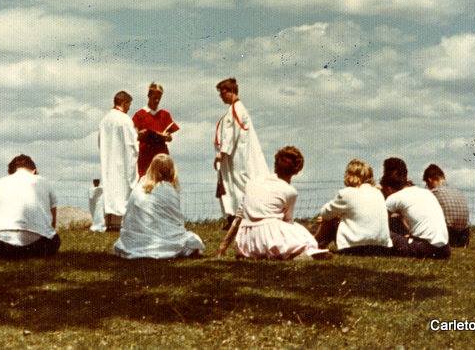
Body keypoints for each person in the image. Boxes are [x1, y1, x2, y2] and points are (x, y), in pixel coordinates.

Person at [217, 146, 330, 260]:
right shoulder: (290, 191)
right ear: (297, 170)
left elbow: (238, 217)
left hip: (246, 241)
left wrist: (223, 247)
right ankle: (298, 253)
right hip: (270, 236)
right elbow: (287, 221)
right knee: (299, 231)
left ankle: (260, 253)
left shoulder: (252, 183)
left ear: (276, 164)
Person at [113, 154, 205, 259]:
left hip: (133, 239)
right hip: (162, 237)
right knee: (192, 240)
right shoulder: (168, 189)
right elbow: (176, 219)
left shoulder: (140, 186)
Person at [213, 78, 269, 229]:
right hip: (235, 155)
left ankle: (241, 217)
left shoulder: (236, 109)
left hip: (237, 156)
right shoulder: (236, 109)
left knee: (238, 184)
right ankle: (234, 217)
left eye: (222, 93)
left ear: (230, 92)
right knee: (231, 185)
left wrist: (222, 153)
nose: (221, 97)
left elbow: (231, 133)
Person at [0, 154, 60, 258]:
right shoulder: (44, 182)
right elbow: (52, 223)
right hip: (38, 247)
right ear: (34, 170)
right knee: (54, 237)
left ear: (11, 172)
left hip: (0, 246)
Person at [313, 158, 392, 255]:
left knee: (330, 219)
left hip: (355, 248)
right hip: (380, 248)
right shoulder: (378, 193)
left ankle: (312, 245)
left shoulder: (347, 193)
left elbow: (325, 213)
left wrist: (336, 215)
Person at [380, 157, 450, 259]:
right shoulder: (426, 192)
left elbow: (379, 222)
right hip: (444, 250)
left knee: (387, 234)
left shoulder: (394, 198)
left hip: (424, 248)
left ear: (388, 188)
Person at [98, 90, 139, 231]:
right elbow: (132, 143)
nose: (129, 108)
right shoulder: (125, 120)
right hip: (123, 161)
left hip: (108, 160)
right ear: (124, 102)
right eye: (129, 105)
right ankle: (122, 223)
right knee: (123, 190)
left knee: (110, 189)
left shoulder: (105, 120)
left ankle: (110, 222)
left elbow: (100, 142)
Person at [132, 82, 180, 178]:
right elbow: (133, 136)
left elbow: (170, 138)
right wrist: (139, 134)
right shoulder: (139, 114)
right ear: (149, 95)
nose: (157, 100)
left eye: (159, 98)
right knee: (145, 182)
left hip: (161, 154)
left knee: (164, 180)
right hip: (145, 154)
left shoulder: (165, 114)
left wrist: (167, 137)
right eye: (155, 98)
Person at [423, 164, 470, 247]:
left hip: (448, 236)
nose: (427, 187)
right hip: (464, 237)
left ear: (430, 180)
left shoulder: (433, 193)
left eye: (427, 184)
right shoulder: (458, 192)